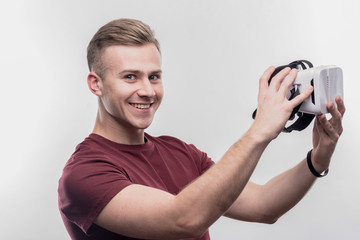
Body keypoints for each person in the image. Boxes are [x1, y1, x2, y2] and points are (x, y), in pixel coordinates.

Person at [58, 18, 345, 240]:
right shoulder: (83, 174)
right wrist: (260, 130)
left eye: (154, 76)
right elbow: (183, 219)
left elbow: (263, 205)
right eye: (130, 77)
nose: (147, 90)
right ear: (96, 84)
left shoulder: (179, 151)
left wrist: (317, 159)